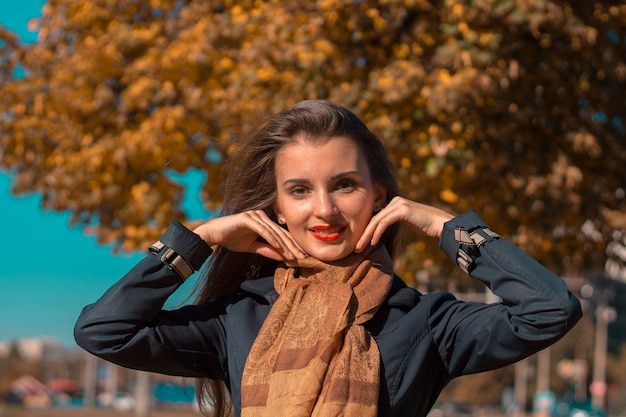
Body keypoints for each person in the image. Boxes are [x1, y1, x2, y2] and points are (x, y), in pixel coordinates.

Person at [74, 100, 582, 417]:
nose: (324, 209)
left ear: (379, 196)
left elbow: (550, 309)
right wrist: (200, 239)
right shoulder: (239, 317)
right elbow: (104, 332)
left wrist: (447, 228)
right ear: (277, 206)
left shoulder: (427, 322)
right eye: (300, 189)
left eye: (345, 185)